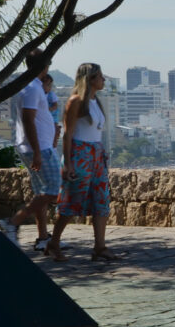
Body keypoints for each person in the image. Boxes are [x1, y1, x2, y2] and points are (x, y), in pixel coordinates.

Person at [45, 63, 122, 262]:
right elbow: (68, 134)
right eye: (100, 76)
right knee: (72, 199)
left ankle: (100, 246)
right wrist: (68, 163)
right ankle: (53, 242)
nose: (103, 79)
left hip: (96, 153)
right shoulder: (76, 101)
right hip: (80, 153)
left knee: (101, 199)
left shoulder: (96, 101)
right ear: (90, 79)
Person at [0, 50, 59, 251]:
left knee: (42, 192)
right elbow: (28, 119)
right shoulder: (32, 87)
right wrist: (38, 151)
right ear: (44, 65)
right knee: (52, 190)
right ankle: (13, 222)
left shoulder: (34, 86)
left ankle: (42, 238)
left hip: (39, 146)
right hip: (38, 148)